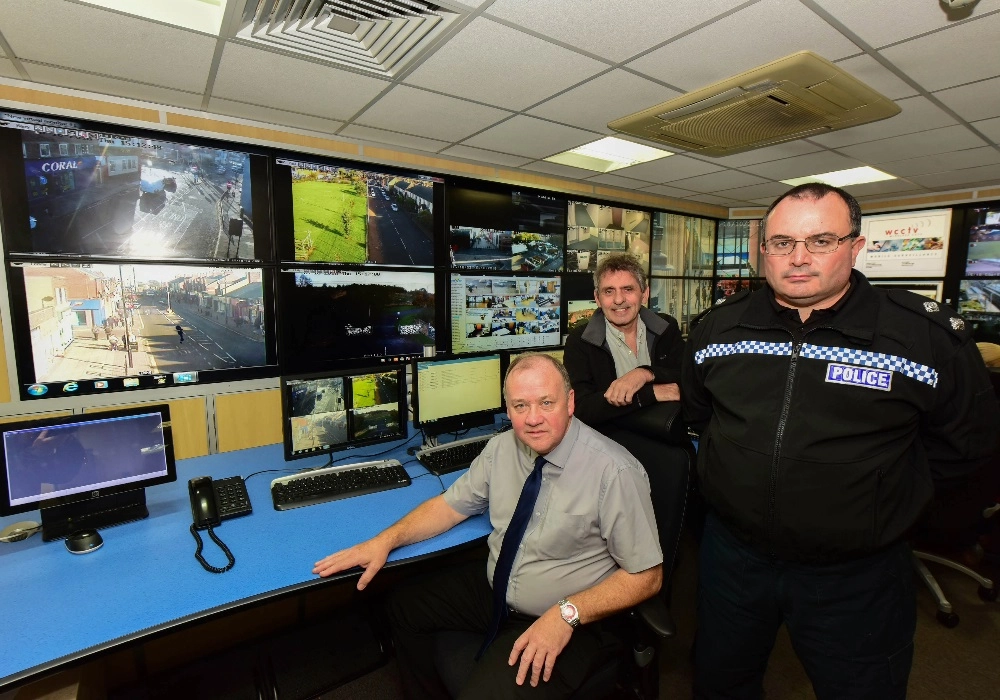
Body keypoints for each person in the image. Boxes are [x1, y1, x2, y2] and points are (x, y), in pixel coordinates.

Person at [681, 182, 1000, 700]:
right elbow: (702, 415)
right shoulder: (718, 331)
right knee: (721, 682)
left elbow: (966, 448)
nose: (798, 258)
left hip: (857, 575)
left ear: (855, 246)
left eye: (821, 241)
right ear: (764, 250)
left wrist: (882, 504)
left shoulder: (922, 339)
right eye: (782, 243)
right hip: (734, 561)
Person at [313, 354, 662, 699]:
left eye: (546, 402)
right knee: (405, 606)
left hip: (573, 617)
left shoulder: (614, 472)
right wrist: (386, 540)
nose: (534, 418)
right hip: (499, 587)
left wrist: (565, 614)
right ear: (507, 410)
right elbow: (448, 508)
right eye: (520, 405)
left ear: (570, 402)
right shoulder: (502, 448)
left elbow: (647, 576)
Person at [563, 252, 688, 584]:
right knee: (614, 548)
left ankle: (653, 587)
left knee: (663, 534)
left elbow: (686, 377)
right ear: (597, 297)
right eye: (609, 291)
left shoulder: (665, 328)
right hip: (608, 452)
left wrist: (643, 374)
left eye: (628, 290)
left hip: (662, 448)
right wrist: (652, 393)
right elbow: (586, 408)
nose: (619, 300)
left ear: (644, 294)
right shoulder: (580, 341)